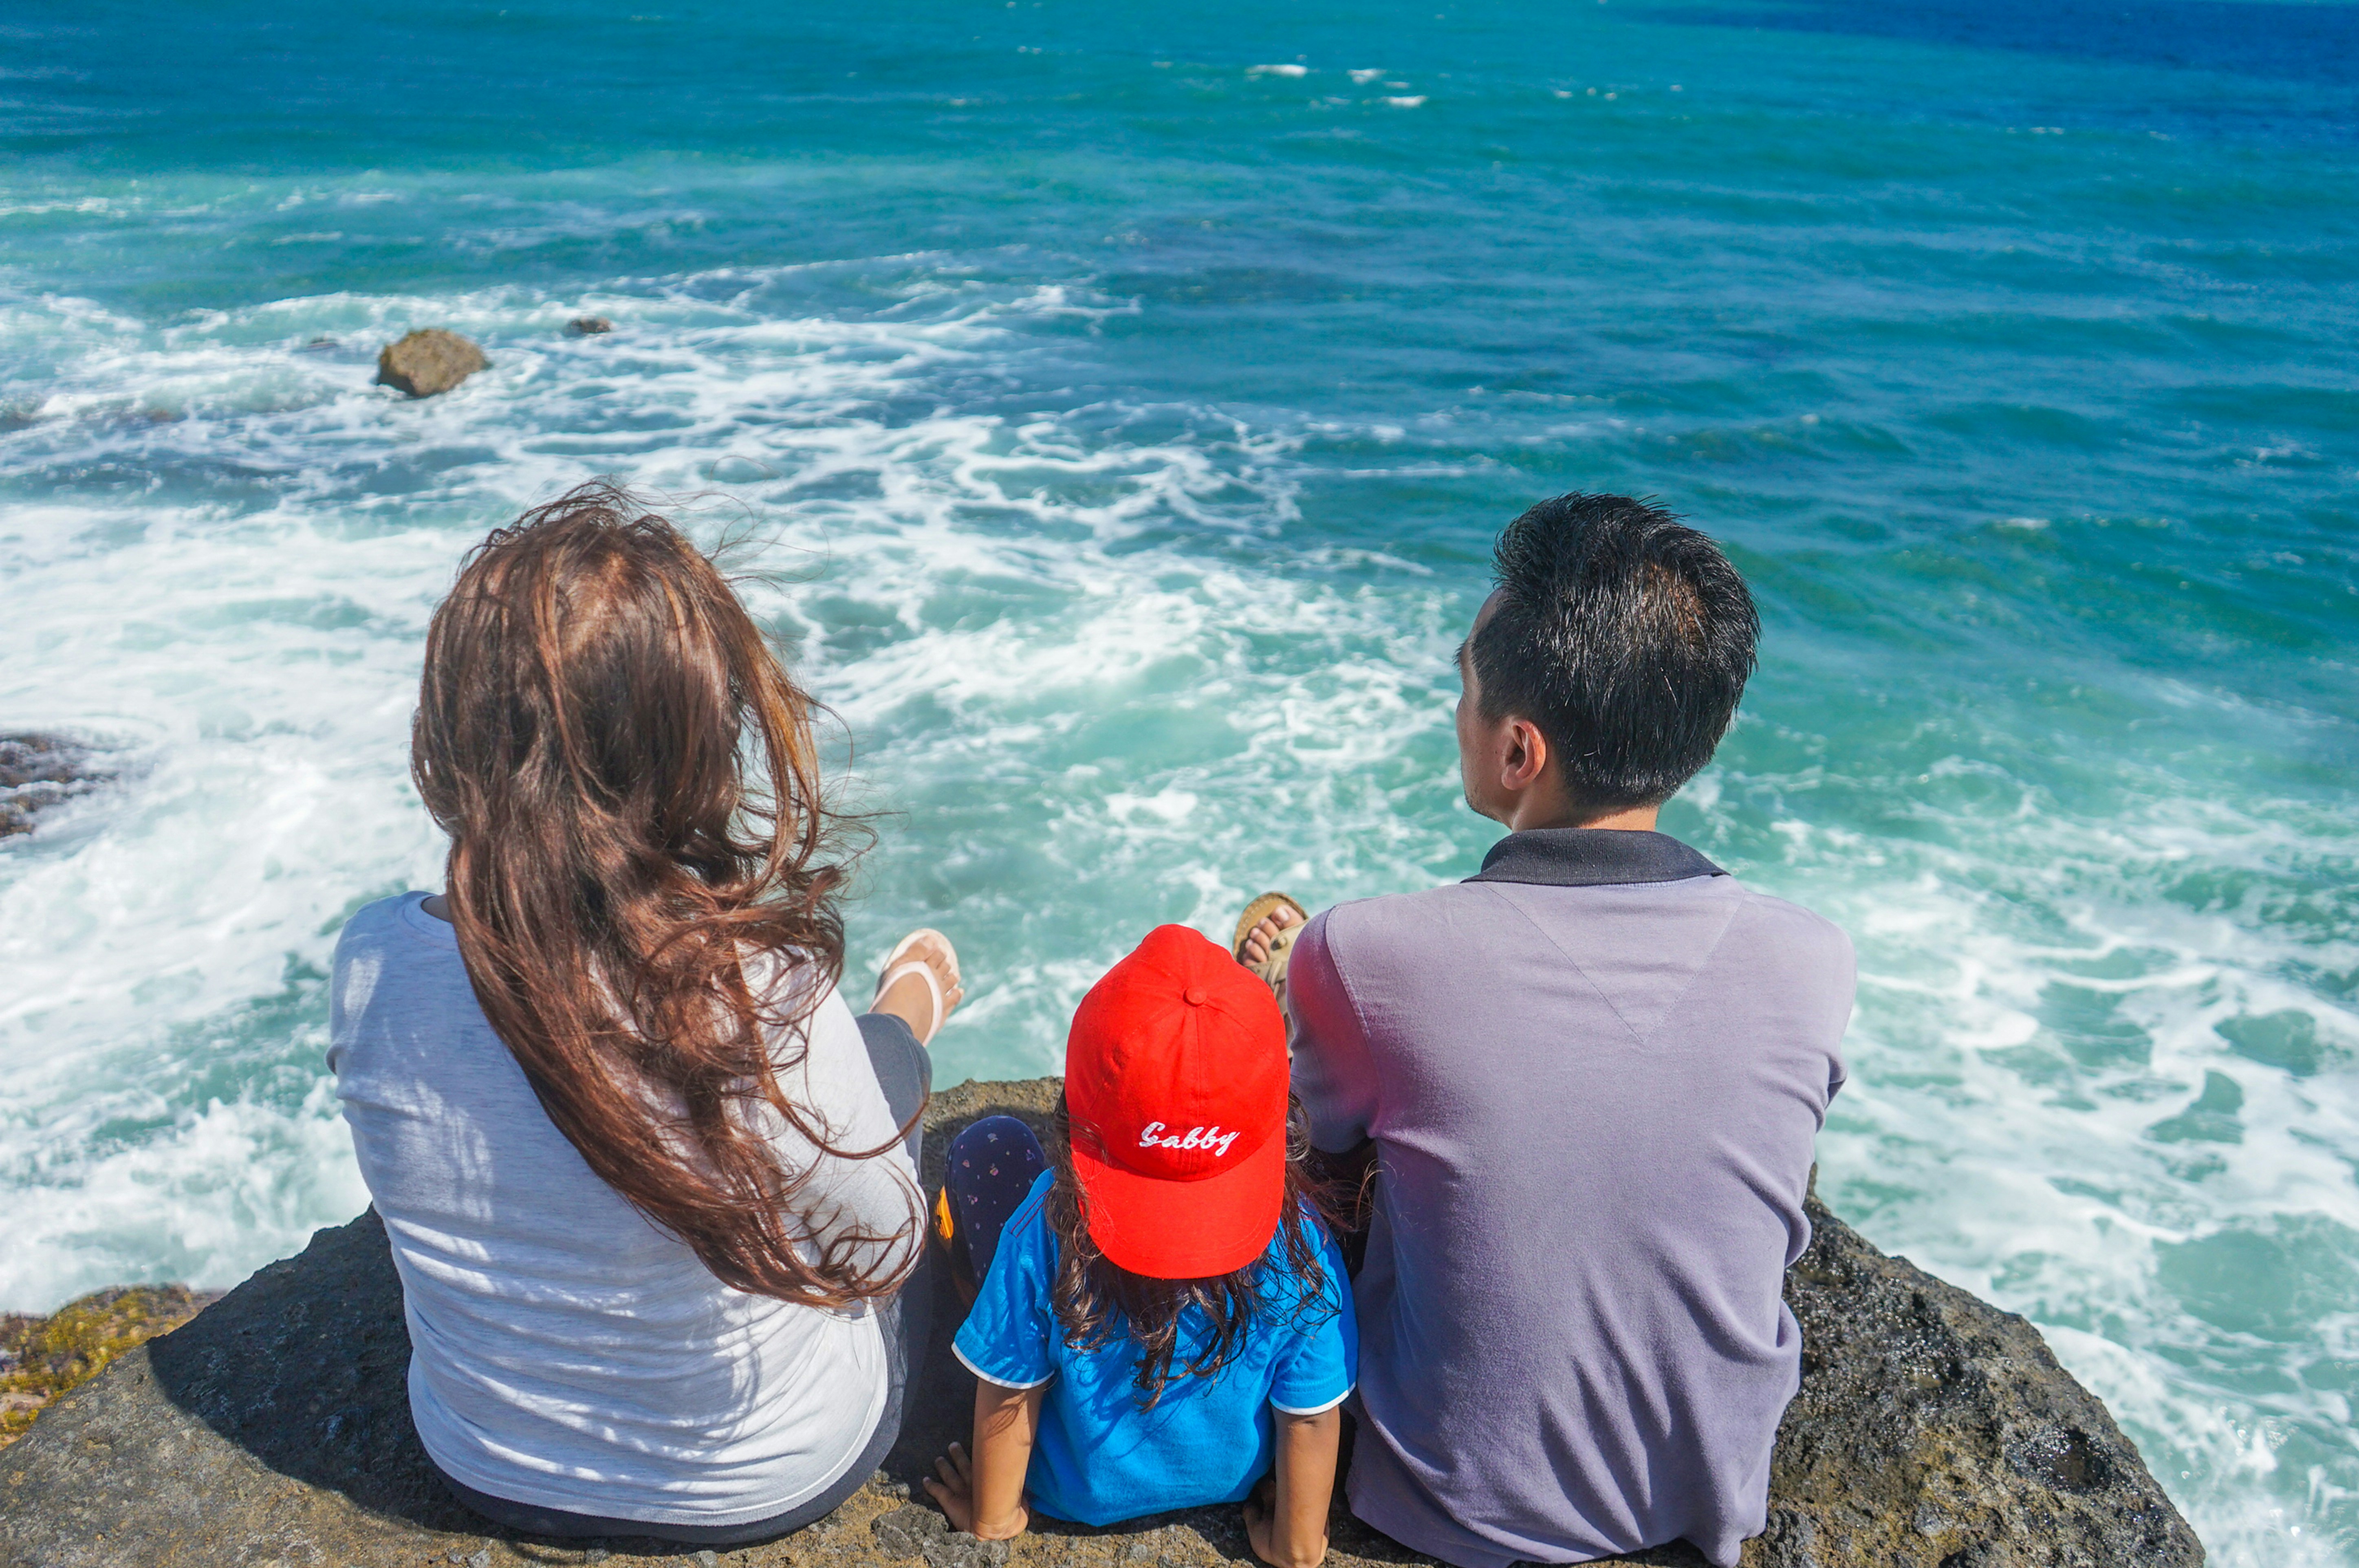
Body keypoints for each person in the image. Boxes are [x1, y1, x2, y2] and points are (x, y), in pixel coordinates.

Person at [328, 483, 965, 1546]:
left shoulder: (374, 959)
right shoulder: (751, 990)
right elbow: (877, 1251)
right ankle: (907, 1009)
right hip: (762, 1480)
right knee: (890, 1095)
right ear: (695, 749)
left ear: (452, 734)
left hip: (483, 1460)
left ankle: (898, 1023)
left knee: (855, 1073)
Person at [1237, 493, 1855, 1568]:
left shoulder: (1361, 950)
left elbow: (1323, 1164)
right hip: (1703, 1496)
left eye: (1464, 692)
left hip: (1444, 1500)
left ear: (1519, 750)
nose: (1455, 713)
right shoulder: (1812, 957)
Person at [923, 926, 1357, 1568]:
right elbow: (1311, 1416)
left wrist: (995, 1519)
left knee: (987, 1147)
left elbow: (1009, 1390)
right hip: (1235, 1483)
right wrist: (1295, 1547)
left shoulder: (1046, 1223)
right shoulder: (1299, 1236)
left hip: (1068, 1493)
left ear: (1073, 1109)